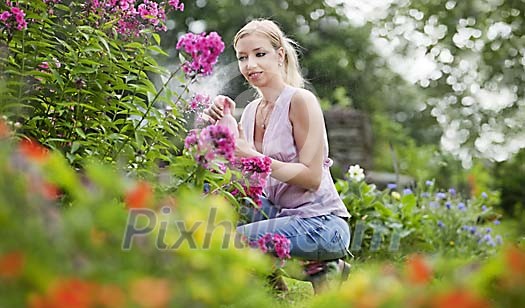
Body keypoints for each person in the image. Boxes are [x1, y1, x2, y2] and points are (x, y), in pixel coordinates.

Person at [204, 19, 351, 293]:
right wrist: (221, 125)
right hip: (283, 215)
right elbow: (246, 182)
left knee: (233, 242)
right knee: (228, 199)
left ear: (279, 54)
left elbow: (311, 177)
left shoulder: (300, 101)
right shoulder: (249, 112)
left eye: (260, 54)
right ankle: (292, 281)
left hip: (320, 223)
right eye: (242, 58)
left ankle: (322, 267)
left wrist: (255, 157)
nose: (250, 65)